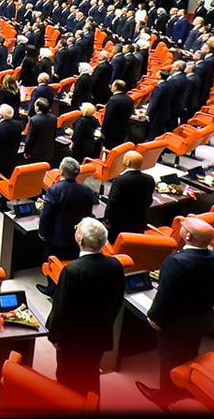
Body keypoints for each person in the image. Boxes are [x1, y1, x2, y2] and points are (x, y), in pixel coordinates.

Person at [135, 218, 214, 408]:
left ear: (188, 235)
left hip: (174, 323)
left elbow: (165, 295)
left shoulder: (176, 262)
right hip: (202, 318)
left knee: (169, 358)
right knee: (190, 354)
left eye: (183, 227)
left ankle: (166, 397)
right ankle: (185, 388)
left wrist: (154, 318)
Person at [45, 217, 125, 397]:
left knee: (67, 381)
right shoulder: (115, 265)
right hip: (99, 336)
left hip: (72, 341)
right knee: (91, 376)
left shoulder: (72, 271)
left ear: (80, 239)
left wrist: (55, 337)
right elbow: (117, 302)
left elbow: (62, 309)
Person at [36, 158, 98, 297]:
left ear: (61, 171)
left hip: (57, 237)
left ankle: (52, 288)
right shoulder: (86, 190)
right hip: (78, 235)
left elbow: (47, 215)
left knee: (52, 260)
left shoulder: (55, 190)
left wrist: (42, 232)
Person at [104, 151, 155, 242]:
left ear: (127, 162)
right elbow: (149, 200)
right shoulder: (149, 179)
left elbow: (113, 202)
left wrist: (107, 219)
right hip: (139, 223)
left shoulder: (120, 180)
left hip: (120, 226)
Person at [23, 97, 57, 166]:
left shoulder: (34, 120)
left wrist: (26, 151)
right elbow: (54, 134)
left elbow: (30, 139)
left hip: (37, 152)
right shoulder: (54, 118)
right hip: (49, 150)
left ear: (38, 108)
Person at [100, 80, 134, 149]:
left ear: (115, 87)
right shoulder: (129, 99)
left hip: (112, 131)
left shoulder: (113, 100)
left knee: (109, 148)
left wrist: (103, 131)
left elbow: (108, 117)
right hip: (124, 129)